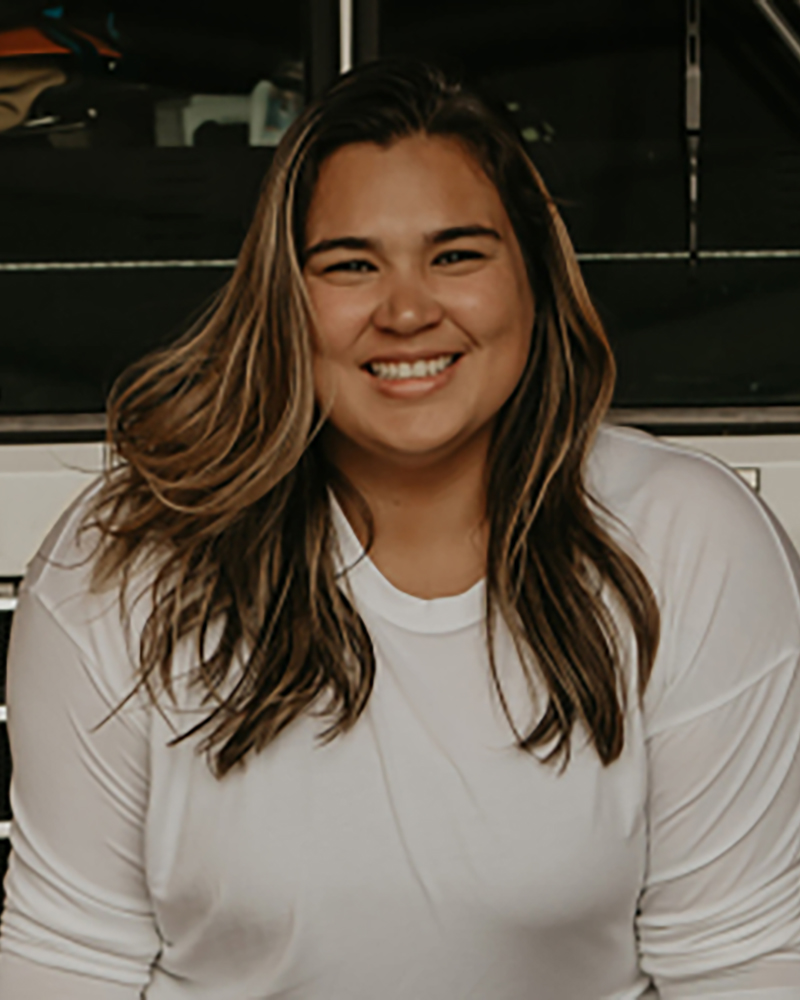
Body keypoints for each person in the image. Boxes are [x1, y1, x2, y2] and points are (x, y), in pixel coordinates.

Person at [1, 58, 799, 1000]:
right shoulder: (125, 560)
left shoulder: (688, 540)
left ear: (533, 279)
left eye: (457, 255)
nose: (408, 310)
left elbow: (740, 964)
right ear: (284, 299)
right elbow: (66, 962)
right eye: (350, 264)